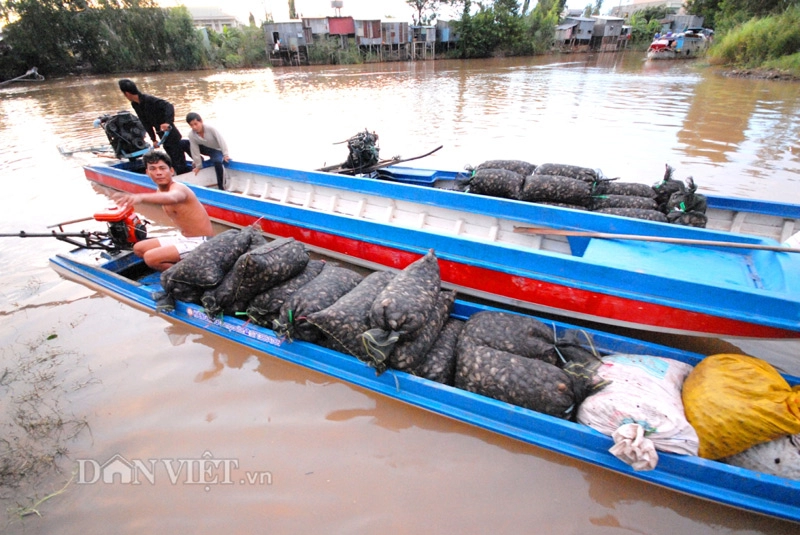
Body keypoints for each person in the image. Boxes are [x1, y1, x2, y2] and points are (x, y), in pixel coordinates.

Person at [111, 151, 214, 271]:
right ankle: (180, 266)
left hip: (201, 242)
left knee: (150, 258)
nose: (158, 173)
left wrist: (140, 197)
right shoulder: (159, 192)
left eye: (162, 168)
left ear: (171, 171)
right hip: (183, 238)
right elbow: (160, 198)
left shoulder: (179, 189)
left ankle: (189, 278)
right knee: (139, 248)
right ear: (147, 173)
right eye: (153, 169)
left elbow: (173, 197)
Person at [118, 79, 188, 174]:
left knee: (178, 160)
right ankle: (178, 174)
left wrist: (168, 122)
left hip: (170, 133)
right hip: (162, 136)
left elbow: (169, 106)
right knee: (171, 158)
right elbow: (145, 122)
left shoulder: (149, 99)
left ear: (127, 94)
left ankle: (183, 176)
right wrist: (153, 139)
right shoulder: (135, 104)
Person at [181, 112, 231, 190]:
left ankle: (221, 186)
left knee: (217, 162)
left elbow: (221, 141)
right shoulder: (192, 135)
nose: (194, 127)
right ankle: (200, 161)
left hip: (216, 149)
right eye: (191, 125)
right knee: (183, 143)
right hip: (205, 148)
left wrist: (225, 154)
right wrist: (198, 165)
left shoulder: (210, 129)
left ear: (201, 122)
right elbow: (194, 149)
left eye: (196, 124)